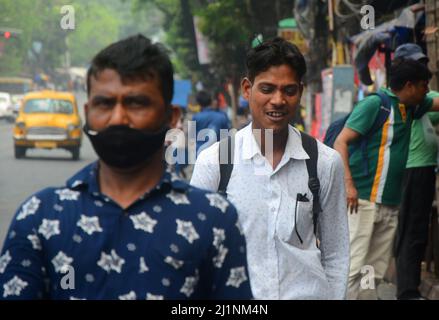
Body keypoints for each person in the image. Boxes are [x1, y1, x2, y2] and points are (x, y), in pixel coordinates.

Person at [0, 35, 252, 300]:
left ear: (172, 117)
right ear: (88, 112)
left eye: (136, 103)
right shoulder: (40, 217)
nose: (118, 118)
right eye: (105, 104)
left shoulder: (213, 220)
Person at [191, 37, 350, 299]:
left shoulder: (324, 162)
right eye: (267, 89)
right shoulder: (214, 163)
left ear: (300, 91)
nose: (278, 100)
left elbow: (336, 252)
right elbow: (196, 252)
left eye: (289, 90)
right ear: (246, 89)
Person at [334, 55, 439, 300]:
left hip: (390, 203)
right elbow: (341, 141)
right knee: (354, 266)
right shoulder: (375, 105)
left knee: (375, 269)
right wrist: (348, 185)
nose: (427, 92)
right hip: (362, 200)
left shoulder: (412, 106)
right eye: (424, 86)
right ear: (410, 85)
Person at [392, 43, 439, 300]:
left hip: (422, 170)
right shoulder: (409, 101)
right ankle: (407, 290)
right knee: (411, 230)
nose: (422, 70)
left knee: (416, 230)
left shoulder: (418, 99)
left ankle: (409, 287)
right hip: (413, 170)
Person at [192, 90, 230, 156]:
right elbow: (226, 139)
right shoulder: (222, 117)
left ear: (199, 103)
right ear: (210, 101)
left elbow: (191, 139)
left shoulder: (195, 118)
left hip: (200, 155)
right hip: (218, 156)